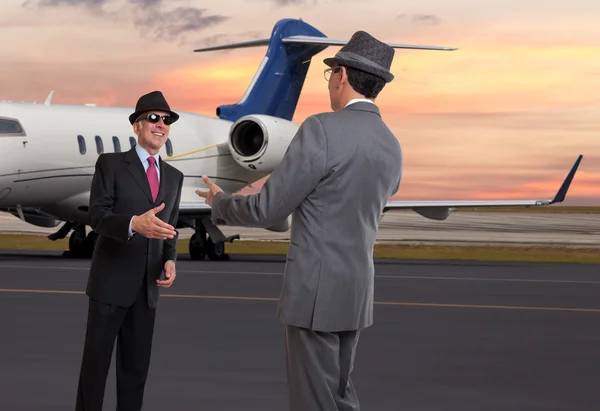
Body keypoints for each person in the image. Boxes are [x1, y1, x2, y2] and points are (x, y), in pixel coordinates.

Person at [196, 31, 402, 411]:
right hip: (356, 291)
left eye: (331, 74)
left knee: (314, 400)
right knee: (340, 395)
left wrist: (220, 202)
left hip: (315, 292)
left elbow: (267, 210)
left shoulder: (321, 129)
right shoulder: (391, 145)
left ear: (341, 75)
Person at [75, 90, 184, 411]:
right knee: (95, 368)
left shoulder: (174, 178)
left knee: (135, 371)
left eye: (166, 119)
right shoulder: (110, 164)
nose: (160, 124)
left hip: (147, 289)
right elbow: (98, 217)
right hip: (110, 284)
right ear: (136, 126)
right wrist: (134, 224)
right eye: (153, 118)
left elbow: (170, 230)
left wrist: (170, 260)